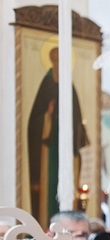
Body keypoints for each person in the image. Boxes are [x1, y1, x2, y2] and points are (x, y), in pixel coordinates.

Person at [26, 46, 90, 224]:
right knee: (50, 185)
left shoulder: (69, 85)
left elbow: (77, 118)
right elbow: (34, 119)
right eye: (56, 61)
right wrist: (48, 114)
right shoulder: (46, 83)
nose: (59, 65)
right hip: (49, 145)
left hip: (67, 146)